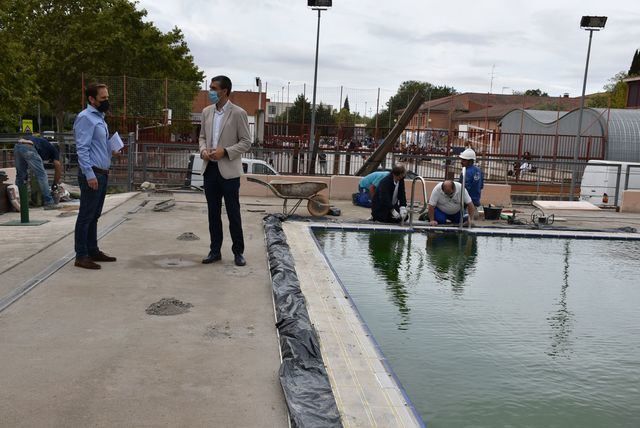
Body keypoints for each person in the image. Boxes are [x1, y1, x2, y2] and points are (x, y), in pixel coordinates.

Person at [199, 75, 252, 267]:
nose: (210, 92)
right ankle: (215, 251)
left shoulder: (238, 113)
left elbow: (246, 142)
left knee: (233, 213)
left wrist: (226, 151)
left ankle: (238, 252)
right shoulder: (206, 112)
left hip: (229, 171)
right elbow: (202, 137)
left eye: (214, 88)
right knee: (213, 213)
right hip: (210, 170)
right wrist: (203, 150)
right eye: (210, 88)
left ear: (225, 91)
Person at [73, 83, 118, 269]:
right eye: (103, 98)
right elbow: (82, 148)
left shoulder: (100, 118)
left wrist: (112, 148)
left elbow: (97, 145)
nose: (106, 101)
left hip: (102, 173)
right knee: (86, 215)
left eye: (107, 97)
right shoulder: (86, 118)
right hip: (92, 174)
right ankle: (81, 255)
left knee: (94, 215)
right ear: (92, 99)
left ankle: (93, 250)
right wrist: (89, 174)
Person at [13, 133, 62, 210]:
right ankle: (49, 202)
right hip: (29, 146)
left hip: (17, 146)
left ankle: (19, 203)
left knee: (20, 175)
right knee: (42, 176)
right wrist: (55, 183)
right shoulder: (54, 150)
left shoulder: (43, 145)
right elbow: (58, 166)